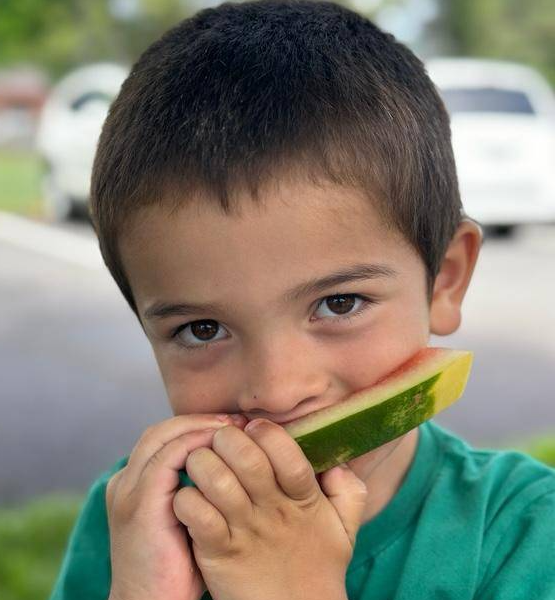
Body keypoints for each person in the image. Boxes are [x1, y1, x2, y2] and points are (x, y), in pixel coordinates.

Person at [49, 1, 555, 599]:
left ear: (444, 279)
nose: (279, 391)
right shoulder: (137, 518)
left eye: (339, 304)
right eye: (203, 329)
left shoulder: (527, 534)